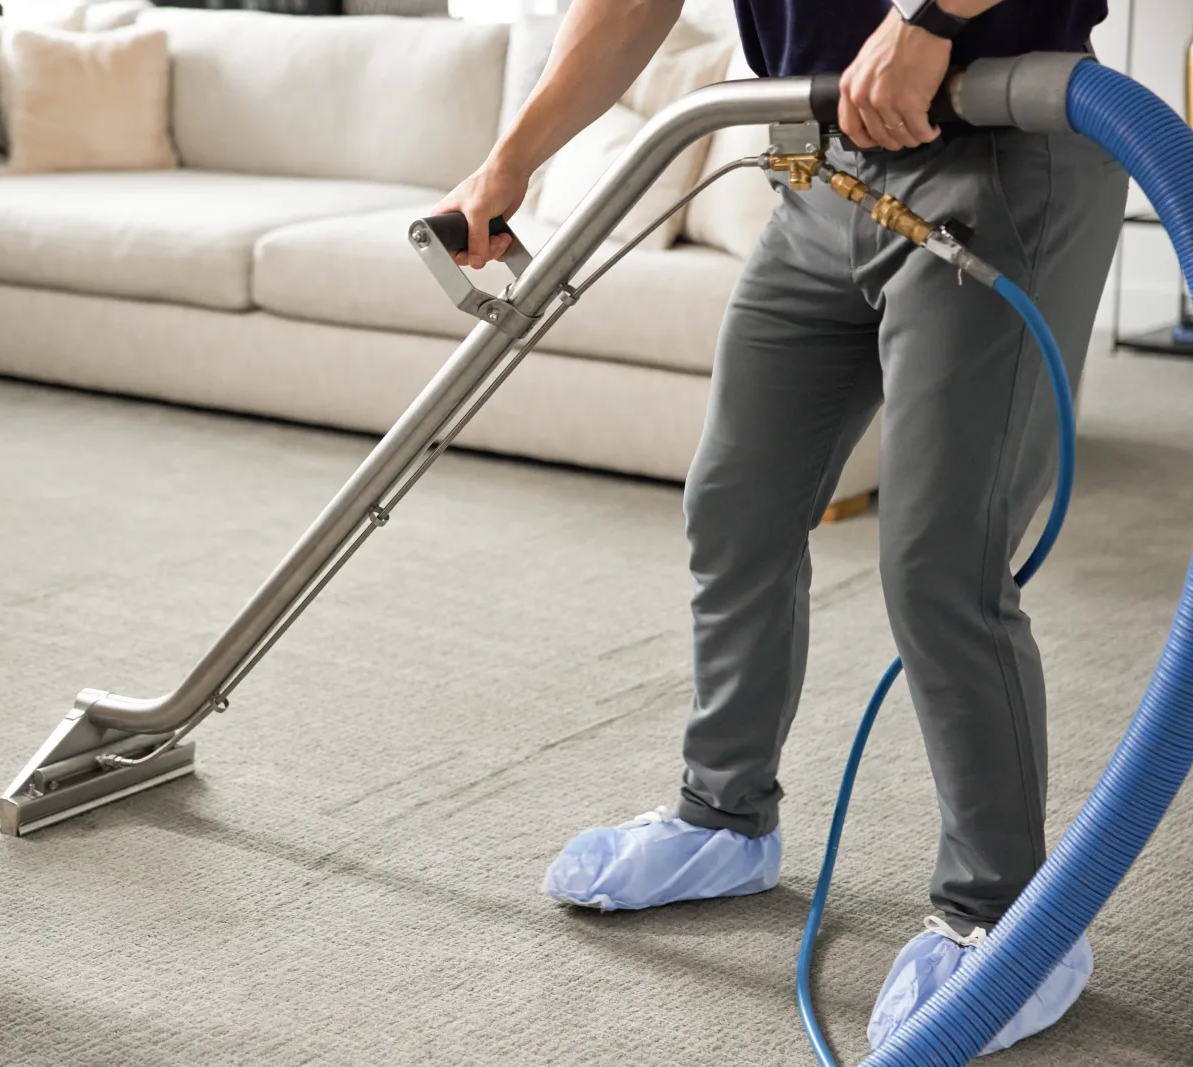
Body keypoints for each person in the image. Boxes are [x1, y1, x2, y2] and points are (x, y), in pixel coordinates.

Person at [435, 0, 1123, 1054]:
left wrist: (928, 17)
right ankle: (722, 817)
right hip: (816, 175)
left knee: (943, 560)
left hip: (1000, 152)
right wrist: (512, 156)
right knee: (735, 508)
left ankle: (1007, 913)